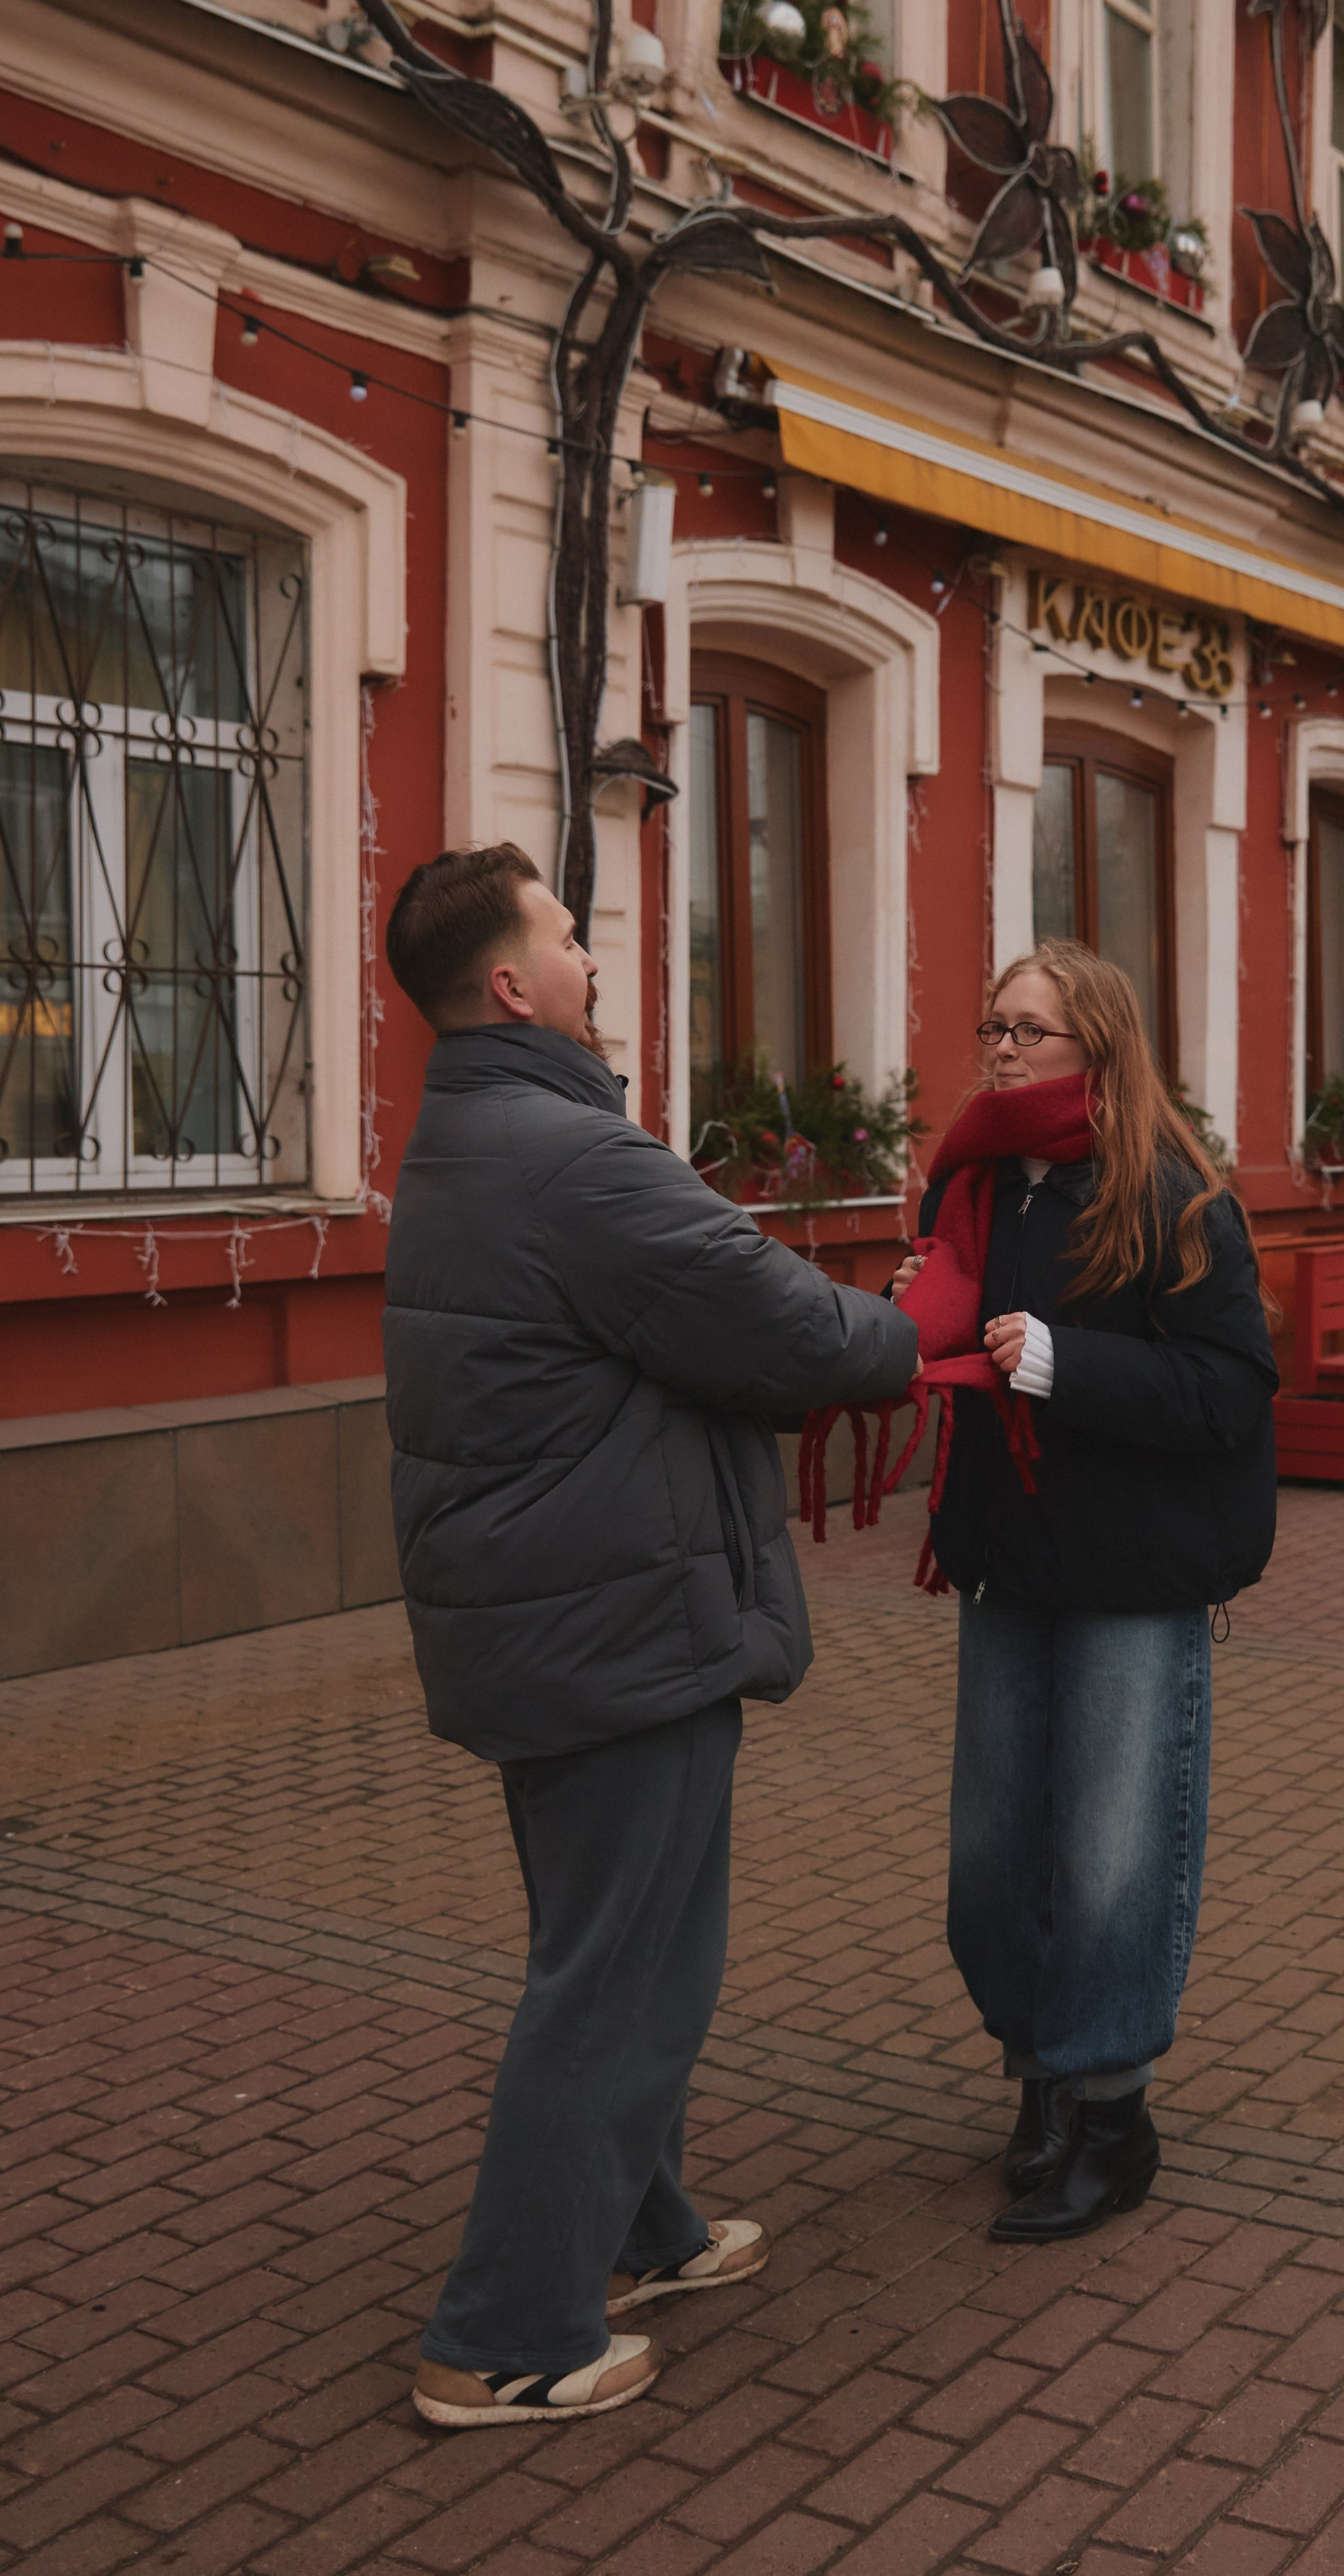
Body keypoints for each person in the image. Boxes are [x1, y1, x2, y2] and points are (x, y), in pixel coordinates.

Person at [380, 844, 918, 2427]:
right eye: (569, 935)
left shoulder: (469, 1134)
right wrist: (907, 1329)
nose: (593, 957)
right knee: (621, 1978)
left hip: (551, 1619)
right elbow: (786, 1326)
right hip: (615, 1623)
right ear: (509, 982)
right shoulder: (572, 1156)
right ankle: (505, 2335)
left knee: (618, 1947)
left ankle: (641, 2227)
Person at [891, 940, 1278, 2243]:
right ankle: (1042, 2071)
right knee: (996, 1863)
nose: (1002, 1050)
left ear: (1098, 1050)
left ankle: (1112, 2120)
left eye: (1030, 1030)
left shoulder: (1174, 1196)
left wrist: (1067, 1365)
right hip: (1009, 1566)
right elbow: (956, 1327)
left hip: (1132, 1579)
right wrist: (913, 1308)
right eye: (993, 1026)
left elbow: (1232, 1391)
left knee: (1113, 1858)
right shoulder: (977, 1189)